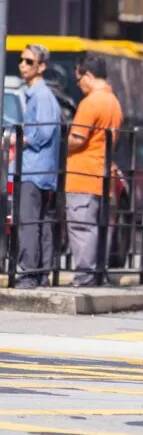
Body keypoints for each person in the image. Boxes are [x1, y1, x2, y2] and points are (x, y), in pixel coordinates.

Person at [64, 54, 124, 287]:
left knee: (81, 227)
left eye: (79, 81)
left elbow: (78, 139)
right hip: (102, 175)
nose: (79, 86)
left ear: (88, 76)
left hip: (83, 174)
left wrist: (63, 142)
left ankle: (85, 277)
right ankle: (97, 274)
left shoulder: (90, 103)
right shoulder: (113, 102)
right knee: (97, 228)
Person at [12, 44, 62, 288]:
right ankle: (41, 273)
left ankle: (30, 274)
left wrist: (21, 138)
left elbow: (43, 132)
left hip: (34, 169)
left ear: (41, 67)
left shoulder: (41, 96)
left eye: (29, 61)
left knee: (29, 223)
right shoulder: (38, 94)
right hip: (40, 170)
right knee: (39, 222)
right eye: (21, 60)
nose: (23, 65)